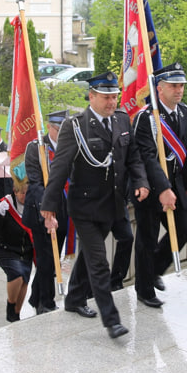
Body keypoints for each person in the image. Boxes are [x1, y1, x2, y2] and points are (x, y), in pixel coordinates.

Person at [40, 72, 150, 339]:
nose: (112, 102)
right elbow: (61, 167)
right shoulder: (75, 126)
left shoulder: (123, 120)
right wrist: (49, 206)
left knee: (90, 255)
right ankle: (111, 320)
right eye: (106, 97)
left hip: (112, 204)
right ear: (92, 96)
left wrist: (141, 180)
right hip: (85, 207)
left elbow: (132, 156)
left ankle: (74, 298)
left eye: (115, 97)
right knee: (99, 262)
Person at [132, 62, 187, 307]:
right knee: (147, 238)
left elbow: (183, 152)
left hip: (175, 184)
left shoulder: (185, 112)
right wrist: (163, 189)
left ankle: (153, 269)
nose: (179, 90)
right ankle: (144, 289)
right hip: (150, 187)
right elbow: (146, 157)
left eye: (181, 86)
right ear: (159, 88)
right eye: (173, 86)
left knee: (184, 230)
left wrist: (183, 185)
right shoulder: (146, 118)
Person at [23, 110, 69, 314]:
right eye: (59, 129)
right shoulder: (36, 148)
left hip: (64, 210)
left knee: (53, 257)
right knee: (45, 258)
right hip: (41, 211)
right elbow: (35, 183)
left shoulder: (70, 145)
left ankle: (35, 297)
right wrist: (48, 212)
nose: (62, 133)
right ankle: (46, 303)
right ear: (50, 127)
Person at [0, 180, 34, 322]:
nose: (25, 196)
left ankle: (15, 314)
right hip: (6, 249)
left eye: (28, 193)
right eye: (22, 193)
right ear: (15, 192)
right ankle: (11, 305)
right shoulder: (5, 204)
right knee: (17, 274)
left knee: (25, 281)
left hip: (25, 250)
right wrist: (0, 214)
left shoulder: (33, 203)